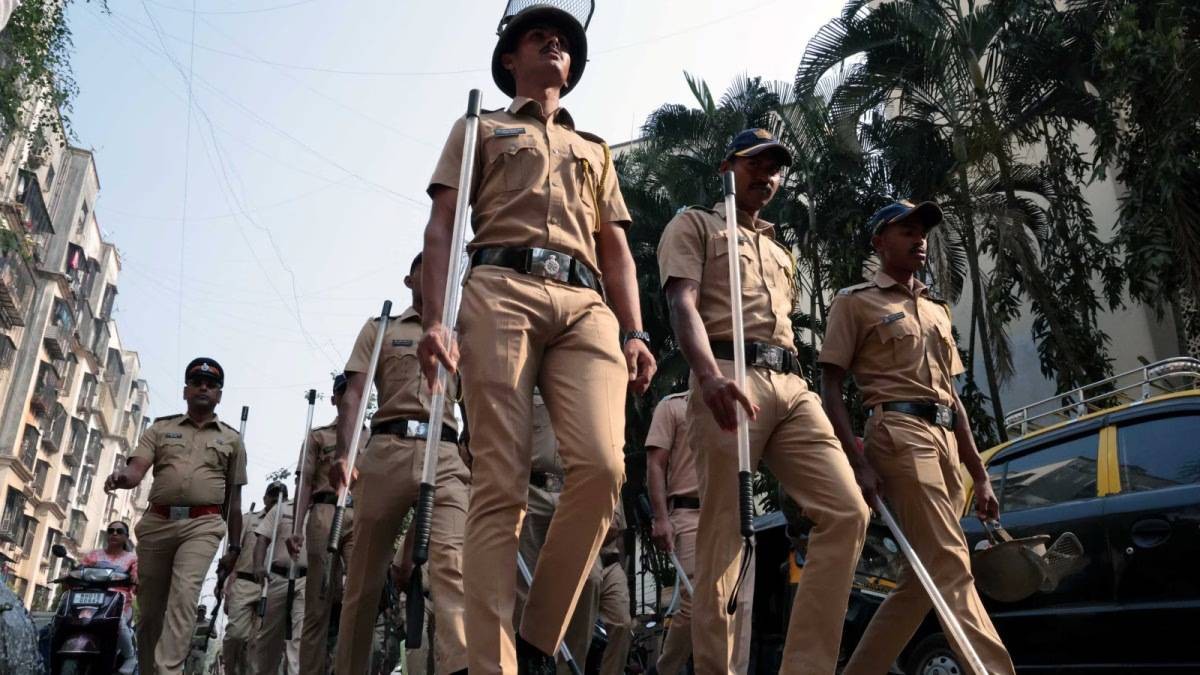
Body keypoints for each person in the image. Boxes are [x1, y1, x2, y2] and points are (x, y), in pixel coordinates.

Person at [418, 4, 655, 672]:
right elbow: (442, 224)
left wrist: (635, 330)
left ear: (572, 68)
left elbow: (616, 250)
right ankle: (494, 663)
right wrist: (435, 319)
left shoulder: (595, 149)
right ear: (509, 59)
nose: (553, 44)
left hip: (585, 303)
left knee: (603, 469)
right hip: (501, 288)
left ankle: (538, 636)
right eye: (537, 36)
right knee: (501, 482)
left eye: (563, 41)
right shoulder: (479, 127)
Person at [657, 129, 870, 674]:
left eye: (775, 168)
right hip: (728, 373)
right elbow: (682, 302)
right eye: (755, 163)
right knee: (726, 536)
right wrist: (707, 375)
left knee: (847, 512)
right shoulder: (695, 225)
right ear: (726, 167)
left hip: (791, 382)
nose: (766, 175)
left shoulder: (779, 250)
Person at [818, 200, 1016, 675]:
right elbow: (830, 386)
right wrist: (858, 462)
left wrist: (979, 474)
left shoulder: (936, 309)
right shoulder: (855, 302)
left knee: (922, 580)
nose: (918, 239)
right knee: (950, 561)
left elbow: (952, 396)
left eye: (922, 231)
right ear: (879, 242)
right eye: (906, 230)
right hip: (898, 434)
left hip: (945, 440)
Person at [330, 253, 471, 675]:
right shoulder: (380, 329)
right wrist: (345, 452)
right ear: (409, 279)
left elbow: (479, 403)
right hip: (386, 450)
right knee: (364, 580)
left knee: (452, 566)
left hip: (444, 453)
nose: (434, 275)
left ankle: (460, 666)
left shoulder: (462, 335)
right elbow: (354, 394)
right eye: (425, 267)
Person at [105, 357, 247, 675]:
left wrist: (235, 548)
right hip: (158, 523)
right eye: (197, 383)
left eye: (211, 385)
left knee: (184, 596)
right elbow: (136, 470)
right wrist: (121, 478)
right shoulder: (160, 429)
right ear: (186, 391)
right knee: (150, 612)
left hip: (203, 525)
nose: (203, 388)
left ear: (219, 395)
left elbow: (234, 502)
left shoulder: (232, 440)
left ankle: (168, 670)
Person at [645, 390, 753, 674]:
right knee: (696, 602)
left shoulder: (739, 401)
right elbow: (656, 463)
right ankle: (664, 670)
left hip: (731, 513)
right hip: (690, 512)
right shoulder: (673, 406)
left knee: (738, 604)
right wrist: (661, 517)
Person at [285, 372, 364, 675]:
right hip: (325, 513)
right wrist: (296, 528)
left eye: (353, 391)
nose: (348, 397)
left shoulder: (372, 436)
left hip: (360, 516)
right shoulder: (318, 436)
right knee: (318, 602)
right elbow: (305, 483)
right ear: (334, 398)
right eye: (343, 392)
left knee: (359, 597)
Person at [515, 390, 599, 674]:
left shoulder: (585, 382)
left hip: (575, 491)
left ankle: (569, 668)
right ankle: (527, 665)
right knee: (525, 587)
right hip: (531, 489)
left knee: (590, 579)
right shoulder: (526, 381)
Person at [224, 485, 283, 675]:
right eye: (272, 497)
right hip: (244, 582)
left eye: (280, 498)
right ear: (265, 498)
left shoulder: (287, 522)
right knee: (236, 635)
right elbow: (233, 554)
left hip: (271, 586)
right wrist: (225, 585)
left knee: (258, 642)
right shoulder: (248, 519)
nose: (276, 501)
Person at [249, 487, 306, 675]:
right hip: (278, 579)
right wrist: (258, 565)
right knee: (269, 640)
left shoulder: (319, 511)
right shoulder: (281, 508)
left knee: (299, 638)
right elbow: (262, 539)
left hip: (305, 580)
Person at [80, 520, 138, 675]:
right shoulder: (94, 555)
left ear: (126, 537)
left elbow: (136, 579)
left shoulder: (132, 559)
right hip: (91, 601)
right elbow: (80, 570)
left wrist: (136, 580)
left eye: (119, 531)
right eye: (111, 530)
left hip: (119, 604)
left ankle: (130, 656)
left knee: (118, 622)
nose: (114, 534)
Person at [593, 506, 631, 675]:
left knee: (622, 624)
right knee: (578, 634)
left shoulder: (616, 490)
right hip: (583, 562)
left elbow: (619, 533)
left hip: (611, 562)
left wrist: (622, 570)